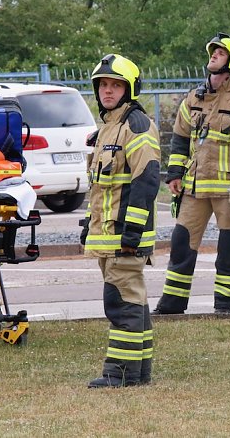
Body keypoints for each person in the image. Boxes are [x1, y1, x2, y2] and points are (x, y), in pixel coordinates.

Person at [153, 33, 230, 315]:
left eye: (220, 53)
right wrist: (175, 173)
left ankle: (225, 305)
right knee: (181, 243)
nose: (213, 55)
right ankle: (172, 304)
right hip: (195, 187)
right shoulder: (193, 97)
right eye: (213, 52)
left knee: (229, 247)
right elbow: (180, 138)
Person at [80, 54, 161, 388]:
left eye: (115, 85)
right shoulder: (108, 128)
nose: (108, 91)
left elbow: (147, 178)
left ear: (129, 89)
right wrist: (89, 223)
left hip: (124, 237)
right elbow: (101, 187)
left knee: (121, 302)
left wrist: (132, 231)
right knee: (132, 302)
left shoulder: (135, 125)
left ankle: (120, 373)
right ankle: (138, 372)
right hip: (109, 235)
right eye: (103, 85)